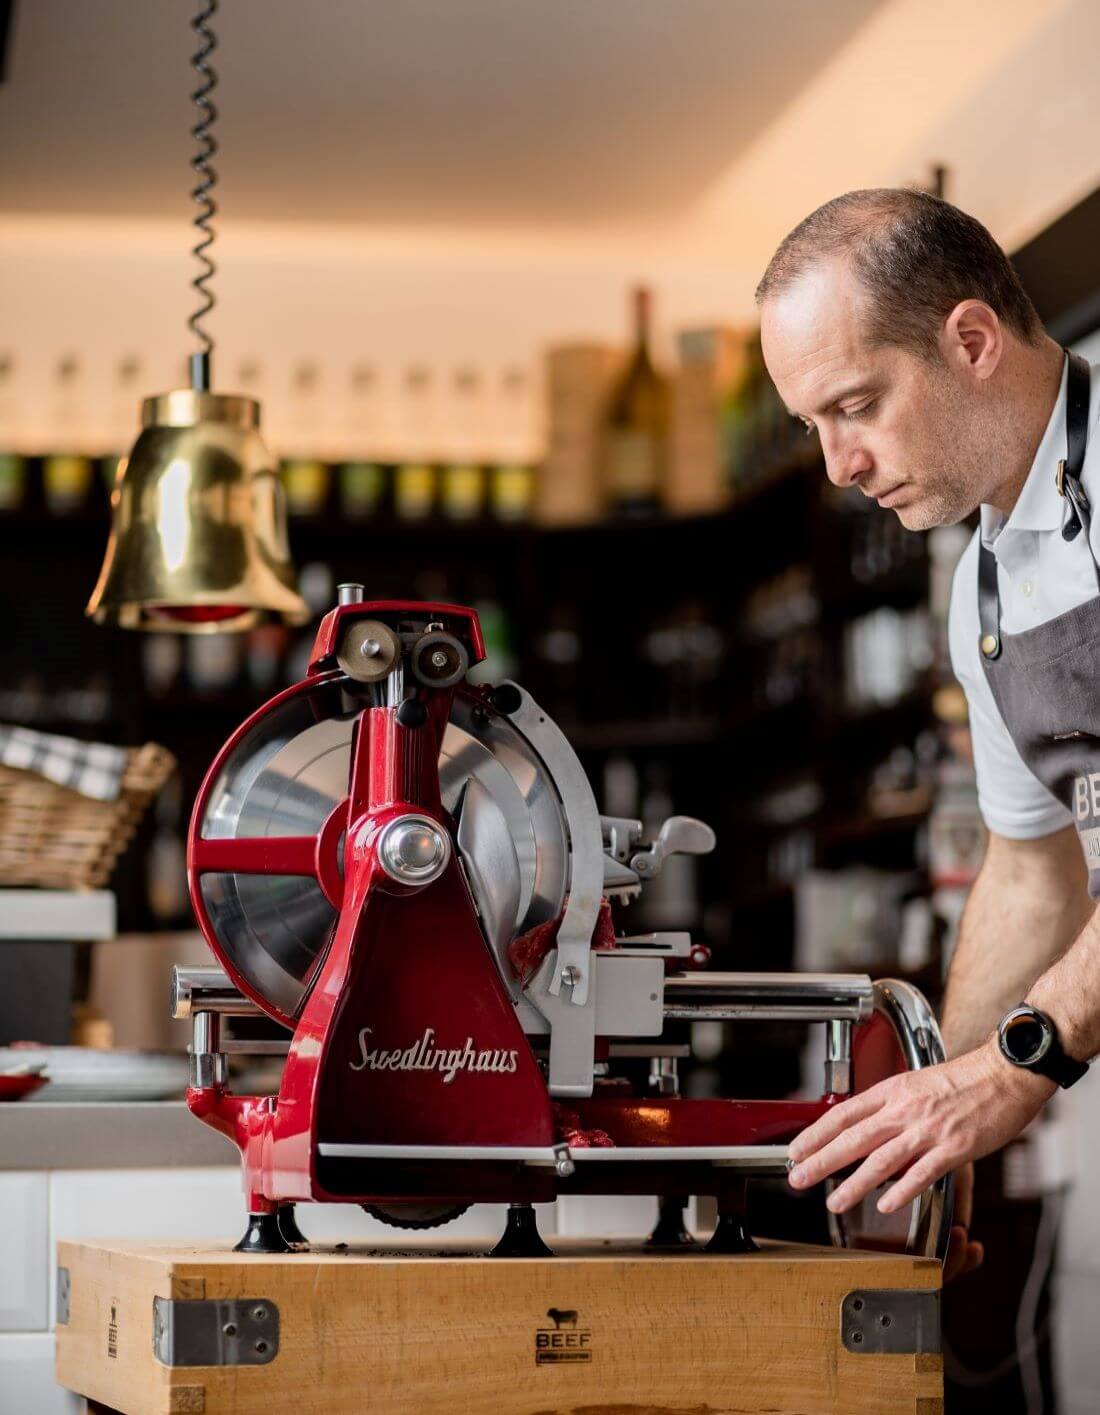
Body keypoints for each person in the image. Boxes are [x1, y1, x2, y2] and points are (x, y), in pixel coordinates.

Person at [757, 188, 1099, 1283]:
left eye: (854, 404)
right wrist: (928, 1127)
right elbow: (1027, 867)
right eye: (812, 424)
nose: (836, 463)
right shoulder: (983, 588)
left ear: (967, 339)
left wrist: (1017, 1062)